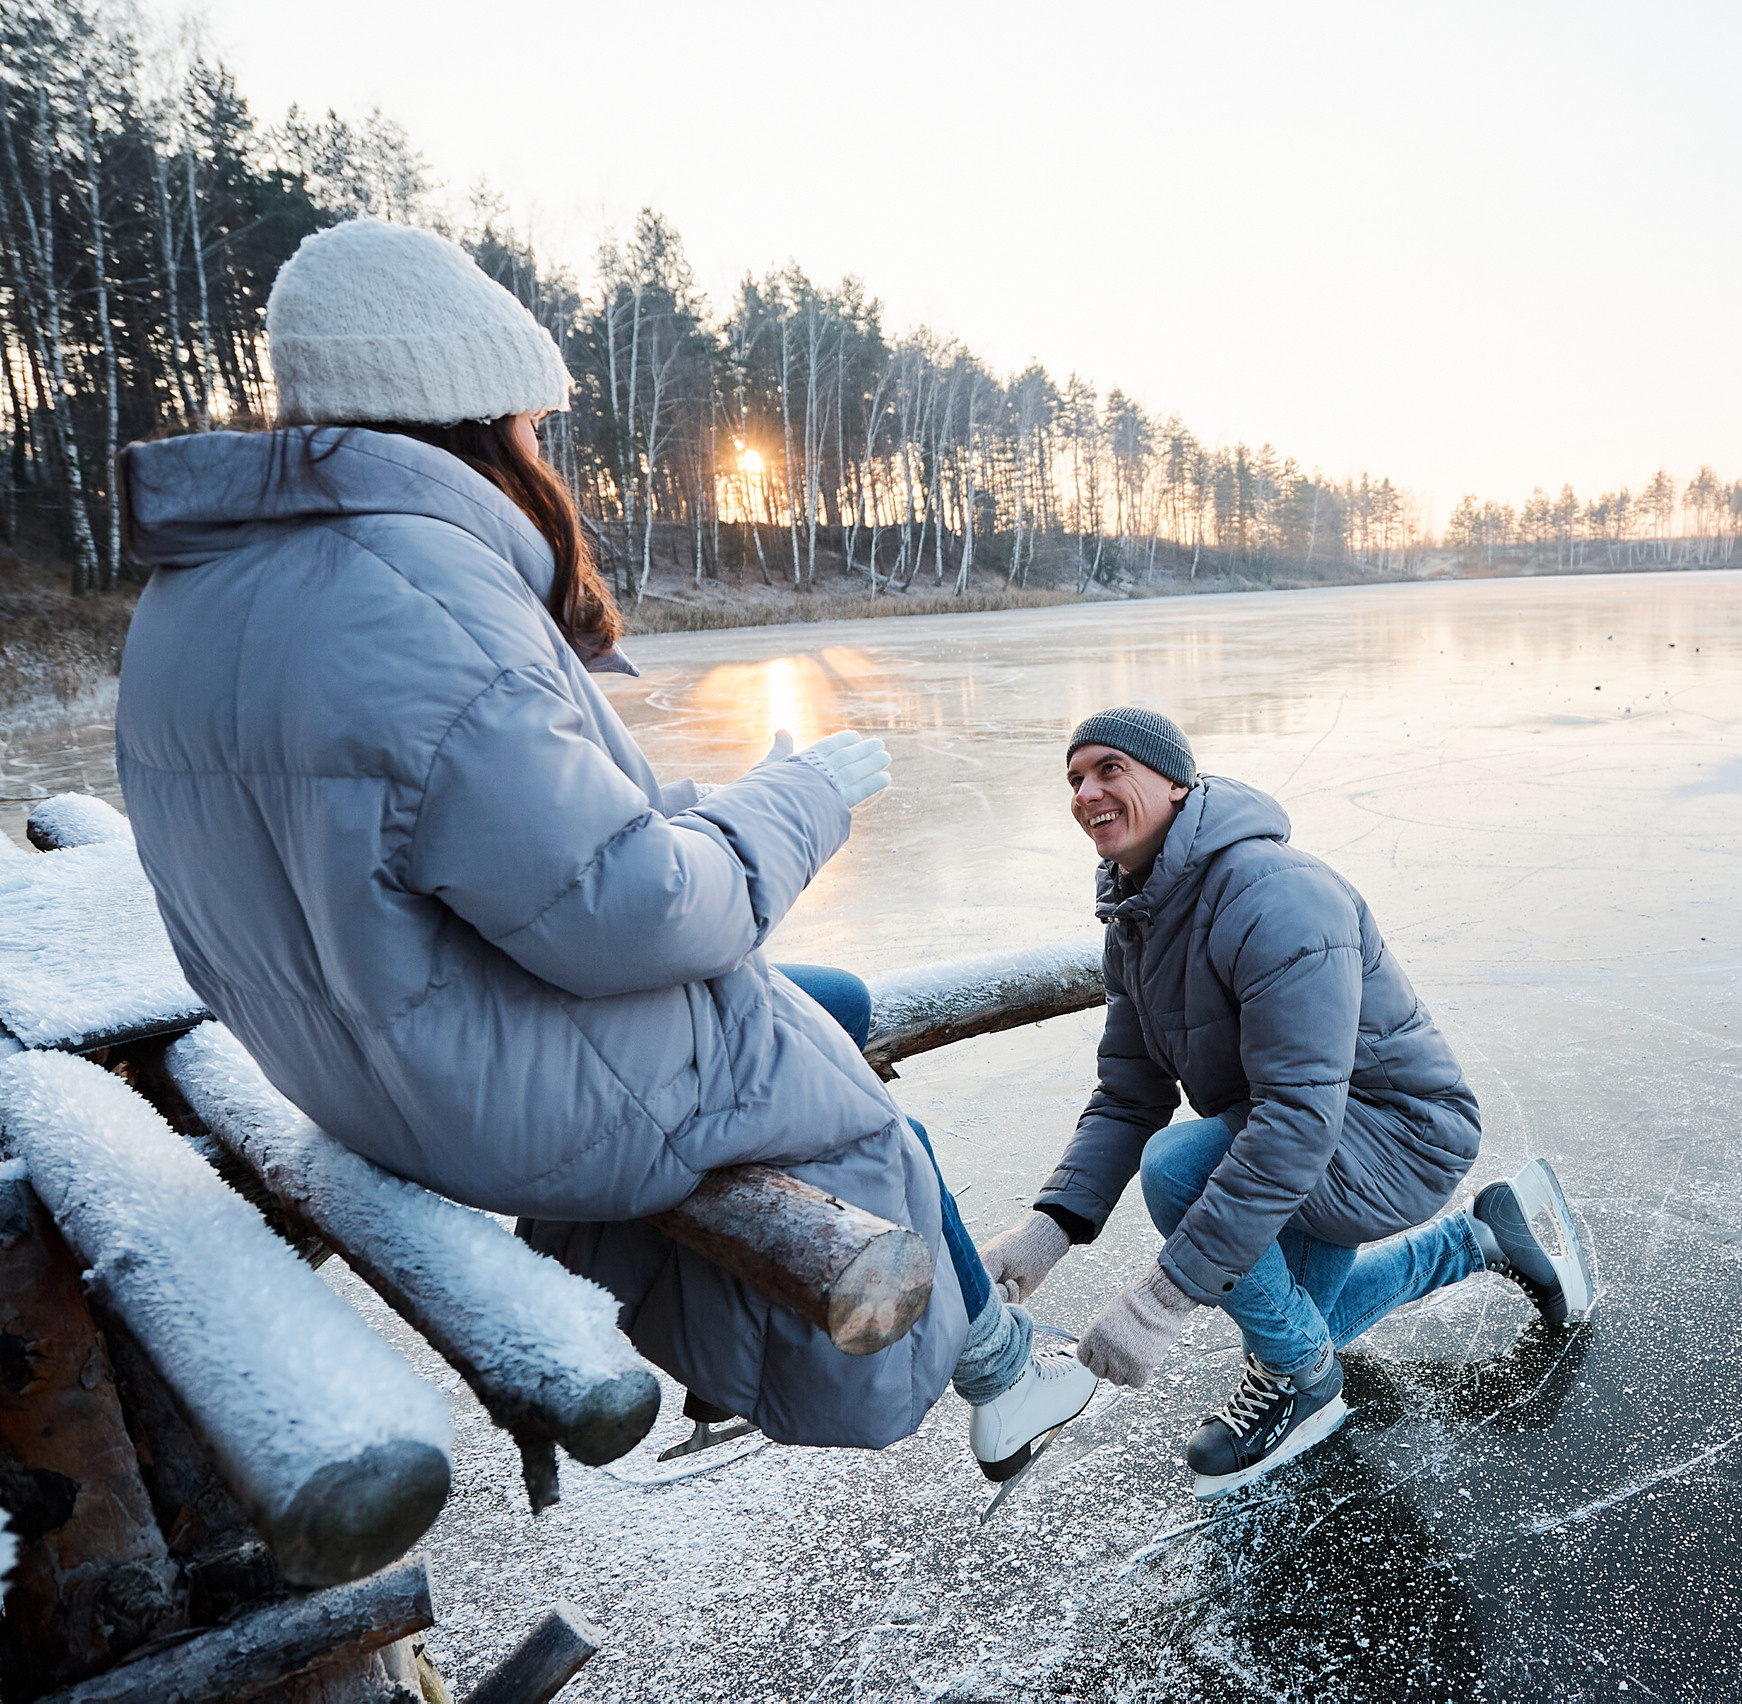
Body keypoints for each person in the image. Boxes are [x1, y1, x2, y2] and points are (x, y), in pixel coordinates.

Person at [113, 218, 1093, 1479]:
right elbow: (626, 911)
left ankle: (916, 1354)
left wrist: (711, 803)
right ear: (472, 413)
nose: (541, 451)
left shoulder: (209, 586)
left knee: (831, 1003)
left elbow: (470, 826)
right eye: (531, 423)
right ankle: (998, 1376)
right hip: (472, 1094)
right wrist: (800, 803)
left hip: (342, 1055)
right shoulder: (414, 591)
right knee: (842, 1099)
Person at [971, 708, 1598, 1497]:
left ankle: (1304, 1390)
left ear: (1176, 782)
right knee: (1305, 1325)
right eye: (1074, 779)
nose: (1086, 792)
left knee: (1181, 1173)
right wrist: (1043, 1236)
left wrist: (1161, 1302)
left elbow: (1299, 1118)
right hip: (1297, 1142)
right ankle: (1478, 1240)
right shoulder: (1138, 921)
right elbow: (1129, 1094)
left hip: (1394, 1136)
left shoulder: (1275, 894)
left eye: (1108, 769)